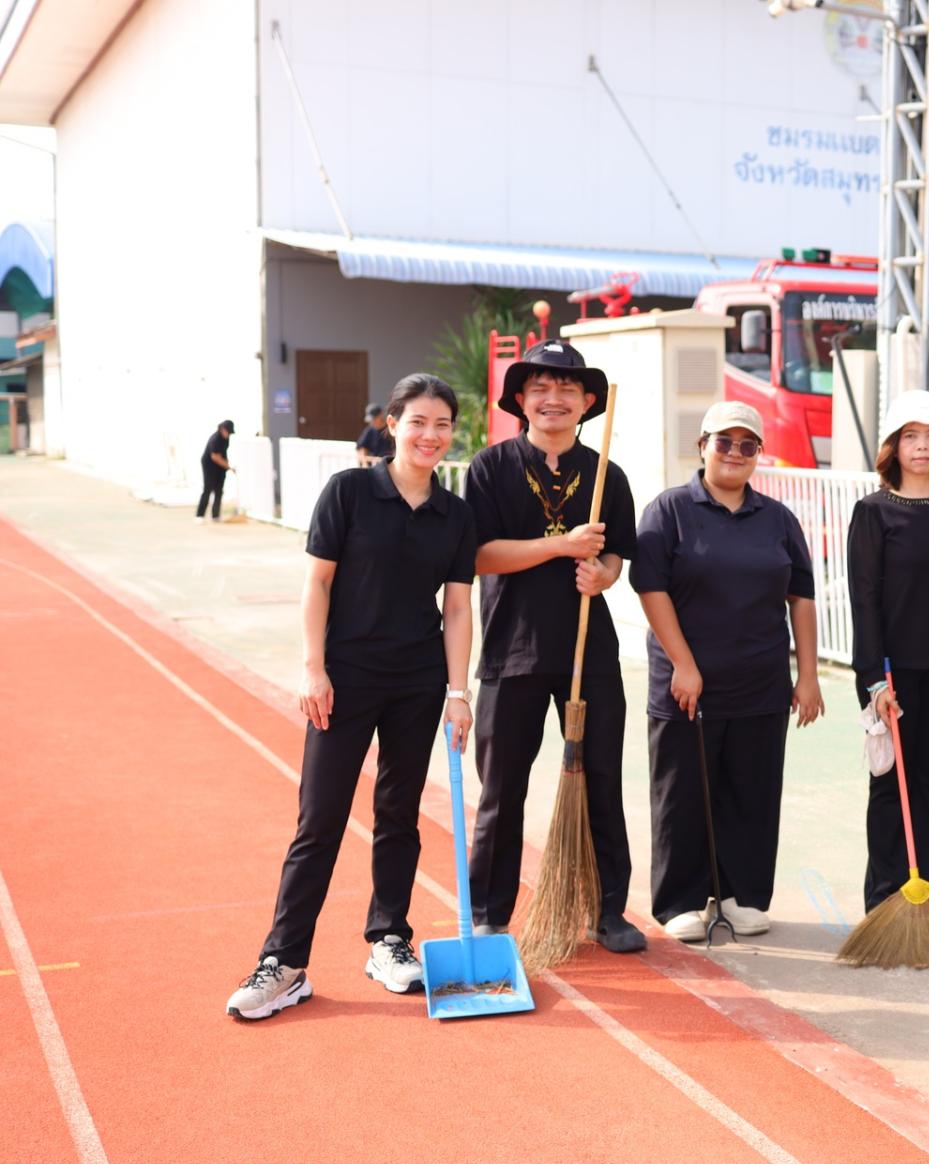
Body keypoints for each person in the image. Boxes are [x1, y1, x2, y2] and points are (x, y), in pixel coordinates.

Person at [226, 374, 477, 1020]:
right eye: (418, 422)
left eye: (442, 425)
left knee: (399, 814)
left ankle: (388, 939)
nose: (430, 435)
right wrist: (313, 669)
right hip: (345, 679)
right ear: (392, 424)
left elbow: (457, 608)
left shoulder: (455, 514)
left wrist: (457, 692)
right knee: (320, 819)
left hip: (418, 682)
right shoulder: (349, 491)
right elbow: (317, 584)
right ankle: (284, 962)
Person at [462, 339, 645, 953]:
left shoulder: (607, 473)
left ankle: (606, 910)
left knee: (600, 782)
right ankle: (489, 912)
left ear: (588, 401)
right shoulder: (489, 468)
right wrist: (561, 546)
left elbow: (616, 553)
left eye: (567, 388)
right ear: (520, 399)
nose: (553, 398)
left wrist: (604, 575)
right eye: (539, 388)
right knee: (501, 790)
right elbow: (481, 556)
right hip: (511, 650)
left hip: (588, 655)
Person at [632, 401, 824, 943]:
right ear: (703, 446)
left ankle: (743, 894)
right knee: (683, 793)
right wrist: (684, 664)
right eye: (724, 441)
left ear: (758, 453)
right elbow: (651, 588)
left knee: (752, 792)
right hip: (686, 685)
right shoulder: (669, 510)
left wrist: (807, 675)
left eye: (747, 445)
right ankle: (681, 900)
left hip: (761, 681)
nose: (735, 453)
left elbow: (801, 597)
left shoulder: (778, 519)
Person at [847, 389, 929, 912]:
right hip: (890, 673)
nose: (922, 446)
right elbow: (865, 601)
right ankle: (884, 898)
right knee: (888, 784)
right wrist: (874, 680)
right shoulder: (872, 512)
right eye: (910, 436)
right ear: (893, 447)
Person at [196, 419, 236, 522]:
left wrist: (227, 465)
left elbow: (223, 454)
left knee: (219, 490)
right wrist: (229, 467)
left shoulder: (226, 439)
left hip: (220, 467)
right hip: (209, 466)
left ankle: (215, 515)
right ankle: (200, 515)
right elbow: (215, 457)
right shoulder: (215, 439)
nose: (228, 435)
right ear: (222, 429)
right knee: (207, 489)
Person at [355, 401, 395, 465]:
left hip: (389, 464)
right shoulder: (369, 430)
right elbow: (361, 447)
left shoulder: (391, 429)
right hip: (372, 465)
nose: (372, 421)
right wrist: (364, 463)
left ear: (381, 415)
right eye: (371, 420)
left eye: (374, 419)